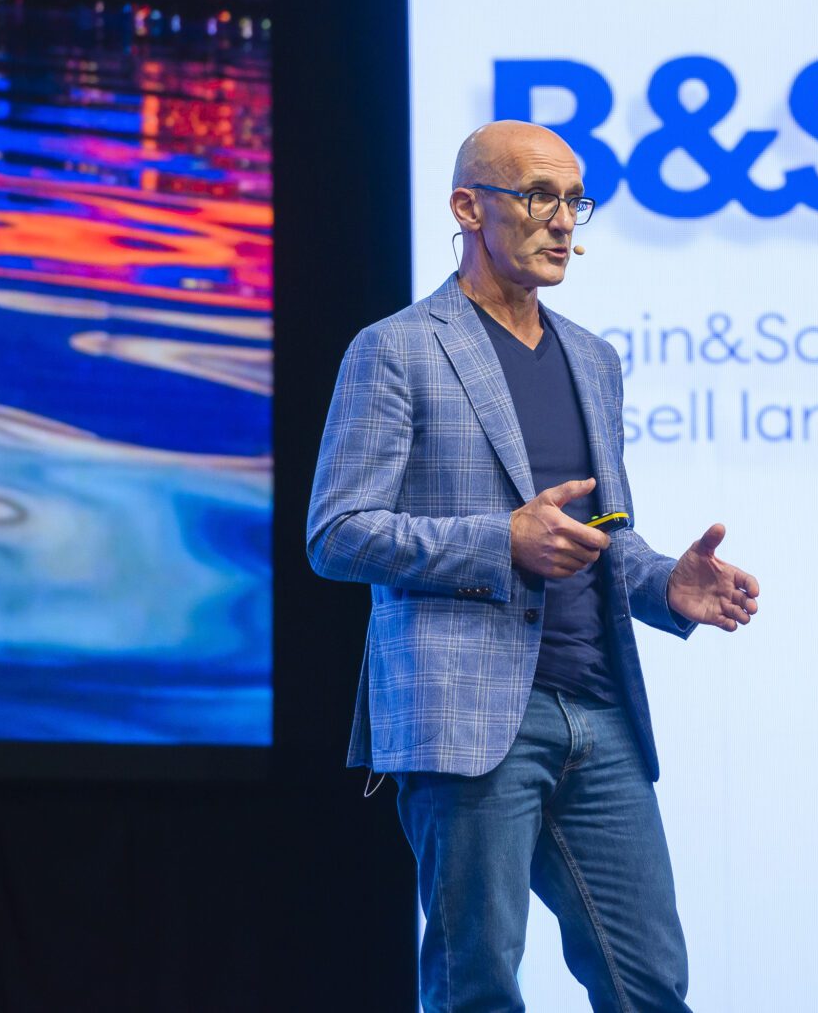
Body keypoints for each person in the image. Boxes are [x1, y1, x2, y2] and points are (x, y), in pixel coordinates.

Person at [307, 120, 761, 1012]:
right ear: (467, 207)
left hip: (598, 710)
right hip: (468, 719)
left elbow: (601, 534)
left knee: (650, 984)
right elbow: (338, 532)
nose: (561, 220)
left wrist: (664, 583)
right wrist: (500, 541)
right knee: (477, 987)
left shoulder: (593, 357)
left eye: (573, 201)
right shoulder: (396, 348)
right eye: (538, 196)